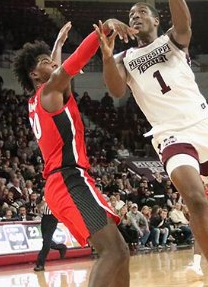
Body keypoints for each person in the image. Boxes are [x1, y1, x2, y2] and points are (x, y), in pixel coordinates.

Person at [96, 0, 208, 287]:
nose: (135, 17)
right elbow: (117, 90)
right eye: (131, 14)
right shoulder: (123, 57)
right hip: (169, 134)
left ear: (155, 19)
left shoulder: (171, 42)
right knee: (194, 199)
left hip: (202, 125)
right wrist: (107, 54)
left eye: (142, 12)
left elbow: (184, 26)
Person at [13, 20, 132, 287]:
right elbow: (72, 64)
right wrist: (103, 31)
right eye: (45, 61)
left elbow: (57, 71)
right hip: (68, 180)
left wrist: (56, 46)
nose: (53, 63)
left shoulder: (39, 98)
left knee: (121, 251)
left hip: (67, 181)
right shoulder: (50, 90)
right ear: (34, 74)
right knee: (112, 252)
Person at [34, 197, 67, 271]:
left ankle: (40, 264)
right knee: (46, 241)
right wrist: (42, 202)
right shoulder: (41, 197)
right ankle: (61, 247)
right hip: (44, 218)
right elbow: (38, 208)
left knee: (46, 243)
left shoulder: (55, 196)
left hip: (52, 218)